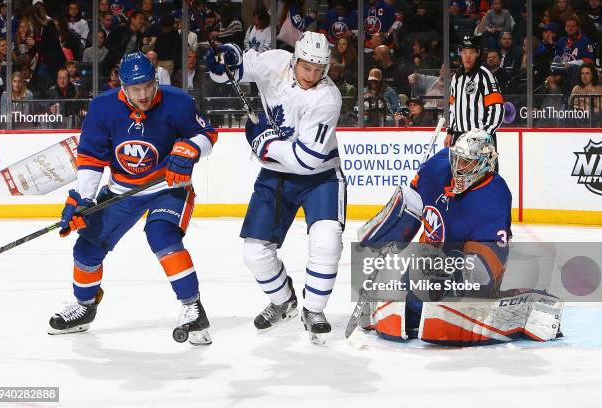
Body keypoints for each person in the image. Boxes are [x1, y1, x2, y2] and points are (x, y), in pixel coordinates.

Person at [48, 52, 218, 346]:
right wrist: (83, 200)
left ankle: (193, 308)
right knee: (87, 249)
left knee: (161, 235)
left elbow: (207, 134)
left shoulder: (177, 101)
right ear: (122, 86)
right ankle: (85, 307)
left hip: (168, 185)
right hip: (121, 190)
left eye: (147, 86)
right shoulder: (102, 108)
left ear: (155, 80)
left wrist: (191, 149)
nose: (143, 95)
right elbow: (90, 159)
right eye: (134, 89)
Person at [357, 130, 561, 346]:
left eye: (467, 163)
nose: (458, 167)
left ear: (484, 164)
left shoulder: (495, 195)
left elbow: (490, 255)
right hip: (429, 257)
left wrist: (458, 271)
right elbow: (413, 205)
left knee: (460, 292)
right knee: (413, 302)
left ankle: (514, 307)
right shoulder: (437, 166)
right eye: (457, 159)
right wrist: (389, 231)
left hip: (467, 260)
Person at [205, 32, 344, 344]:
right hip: (274, 175)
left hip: (319, 177)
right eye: (306, 67)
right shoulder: (274, 62)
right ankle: (284, 301)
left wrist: (264, 141)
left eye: (318, 70)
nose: (311, 75)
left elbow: (307, 160)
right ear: (294, 60)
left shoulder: (327, 98)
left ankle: (314, 309)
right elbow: (233, 70)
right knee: (254, 252)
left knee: (327, 240)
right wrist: (223, 58)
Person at [445, 36, 504, 148]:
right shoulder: (456, 78)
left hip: (481, 137)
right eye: (464, 52)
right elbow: (452, 107)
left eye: (471, 52)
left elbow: (497, 108)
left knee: (482, 166)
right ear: (460, 54)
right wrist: (450, 132)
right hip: (459, 136)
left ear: (478, 54)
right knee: (457, 166)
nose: (467, 56)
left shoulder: (486, 76)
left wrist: (485, 134)